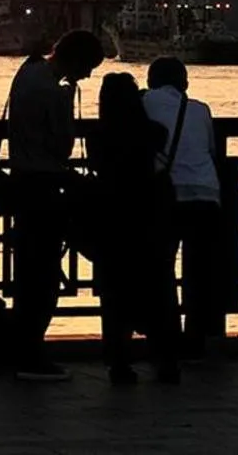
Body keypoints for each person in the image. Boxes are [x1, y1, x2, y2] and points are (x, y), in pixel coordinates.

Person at [3, 28, 106, 382]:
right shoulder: (51, 90)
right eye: (88, 67)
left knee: (29, 271)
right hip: (43, 185)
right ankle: (31, 353)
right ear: (76, 60)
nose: (88, 75)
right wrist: (67, 105)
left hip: (22, 180)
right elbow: (62, 145)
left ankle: (23, 349)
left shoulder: (28, 72)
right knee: (43, 274)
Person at [89, 72, 180, 385]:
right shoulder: (155, 132)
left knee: (116, 293)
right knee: (159, 289)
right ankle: (165, 358)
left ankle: (119, 362)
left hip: (113, 217)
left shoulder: (98, 136)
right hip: (152, 215)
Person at [143, 57, 225, 359]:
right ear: (184, 82)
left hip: (169, 195)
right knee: (200, 270)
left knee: (162, 267)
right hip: (207, 194)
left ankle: (166, 334)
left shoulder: (146, 101)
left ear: (151, 80)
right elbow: (211, 150)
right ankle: (198, 338)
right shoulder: (201, 109)